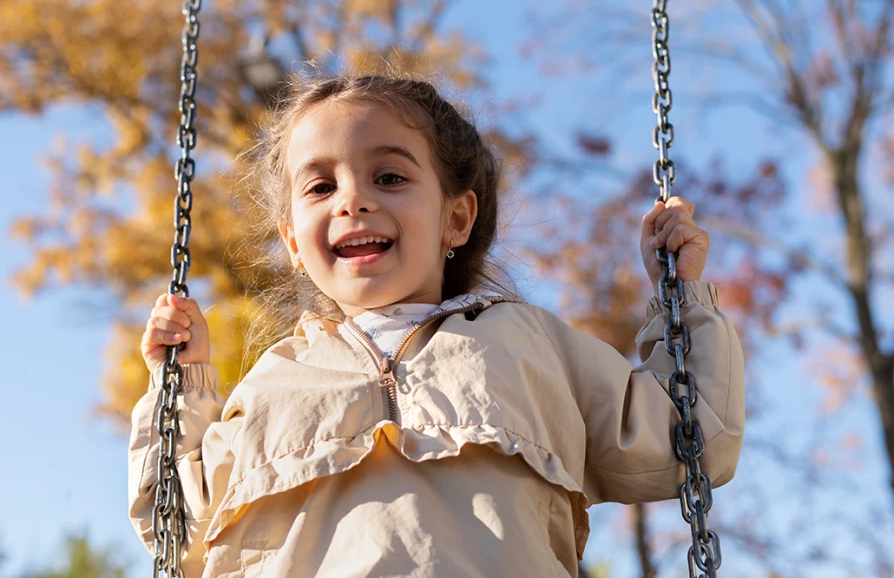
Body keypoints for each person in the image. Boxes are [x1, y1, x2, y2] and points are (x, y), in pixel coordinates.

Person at [128, 74, 744, 577]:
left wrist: (680, 297)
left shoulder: (529, 344)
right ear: (292, 241)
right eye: (320, 186)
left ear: (456, 219)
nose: (352, 200)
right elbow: (178, 527)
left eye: (389, 177)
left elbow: (688, 440)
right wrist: (179, 388)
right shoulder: (274, 381)